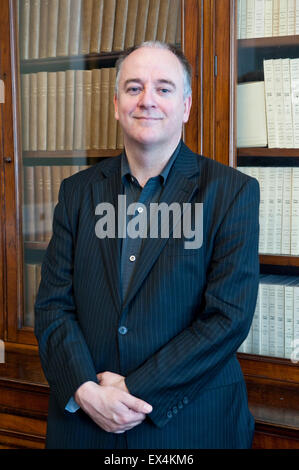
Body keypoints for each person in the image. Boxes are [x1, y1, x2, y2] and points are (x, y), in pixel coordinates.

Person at [34, 41, 260, 449]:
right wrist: (85, 390)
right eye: (134, 88)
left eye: (164, 88)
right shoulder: (76, 193)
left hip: (191, 425)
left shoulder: (231, 193)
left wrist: (134, 388)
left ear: (186, 106)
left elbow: (228, 318)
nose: (147, 100)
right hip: (86, 424)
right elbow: (53, 305)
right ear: (117, 104)